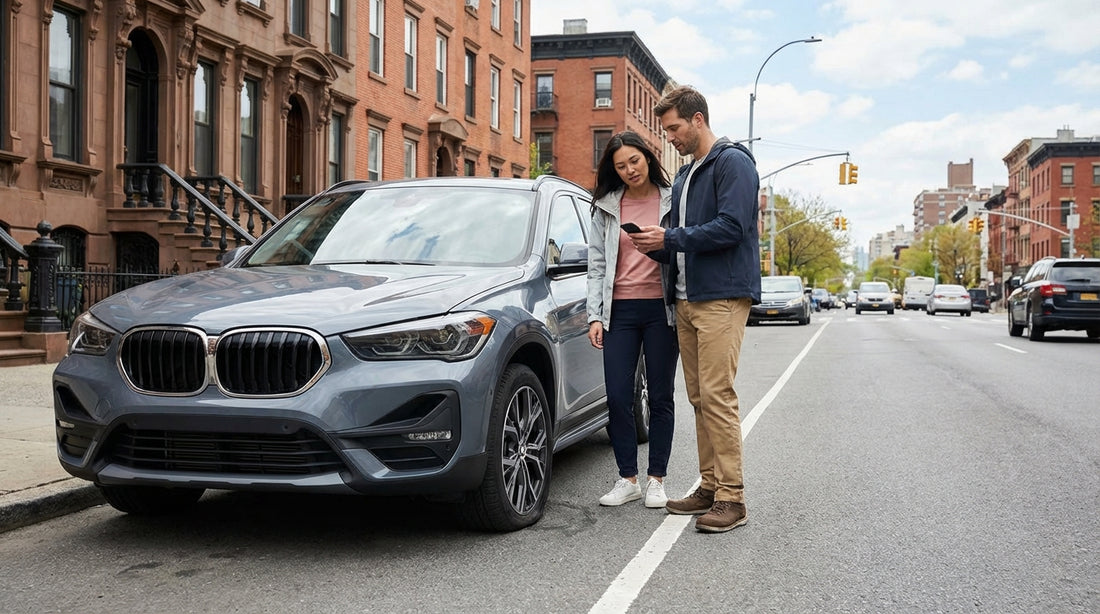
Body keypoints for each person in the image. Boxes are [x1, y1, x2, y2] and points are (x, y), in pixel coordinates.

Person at [628, 85, 761, 533]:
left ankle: (733, 498)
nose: (671, 138)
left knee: (718, 396)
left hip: (721, 296)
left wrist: (670, 239)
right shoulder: (685, 176)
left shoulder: (733, 163)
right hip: (684, 299)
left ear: (698, 119)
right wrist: (653, 243)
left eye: (675, 128)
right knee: (700, 398)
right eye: (667, 131)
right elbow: (678, 239)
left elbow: (731, 227)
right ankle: (709, 486)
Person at [587, 131, 679, 509]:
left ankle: (657, 478)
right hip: (618, 311)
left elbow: (684, 248)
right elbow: (597, 263)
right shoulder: (606, 206)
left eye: (634, 162)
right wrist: (595, 314)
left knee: (660, 396)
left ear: (648, 157)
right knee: (618, 396)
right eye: (620, 165)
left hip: (661, 309)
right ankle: (628, 478)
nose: (629, 170)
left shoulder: (672, 199)